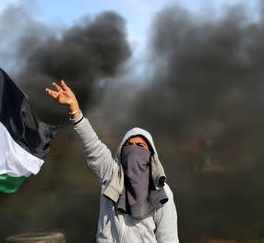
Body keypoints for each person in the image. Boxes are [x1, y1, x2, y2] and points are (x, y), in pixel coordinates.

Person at [46, 80, 179, 243]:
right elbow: (92, 146)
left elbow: (168, 237)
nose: (134, 149)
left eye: (140, 145)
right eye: (129, 145)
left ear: (151, 154)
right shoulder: (112, 174)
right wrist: (75, 111)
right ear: (122, 151)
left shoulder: (161, 190)